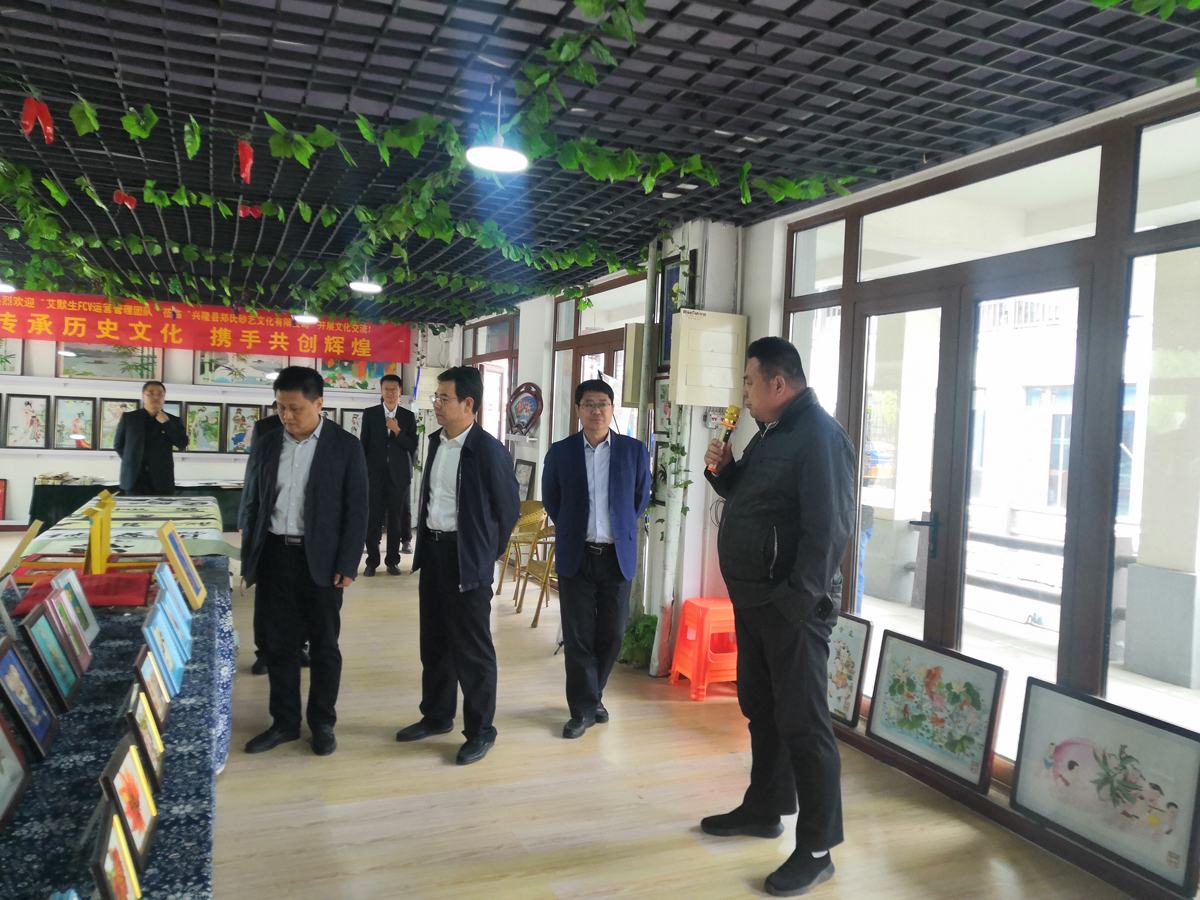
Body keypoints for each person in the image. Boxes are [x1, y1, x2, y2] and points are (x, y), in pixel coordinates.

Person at [700, 337, 856, 897]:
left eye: (749, 381)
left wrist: (795, 601)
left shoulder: (819, 437)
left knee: (805, 725)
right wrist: (725, 472)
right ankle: (764, 807)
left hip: (791, 610)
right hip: (756, 601)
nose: (743, 392)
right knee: (762, 710)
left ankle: (816, 849)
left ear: (778, 384)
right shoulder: (772, 432)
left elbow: (829, 530)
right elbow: (755, 498)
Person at [239, 366, 368, 757]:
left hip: (322, 560)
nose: (286, 415)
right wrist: (250, 555)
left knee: (325, 646)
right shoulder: (267, 441)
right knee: (279, 645)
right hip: (275, 555)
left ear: (319, 403)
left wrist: (348, 563)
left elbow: (357, 510)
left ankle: (322, 722)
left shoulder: (344, 446)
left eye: (295, 408)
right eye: (280, 407)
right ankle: (284, 722)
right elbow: (253, 500)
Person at [395, 366, 519, 766]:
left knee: (473, 651)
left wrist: (485, 552)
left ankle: (481, 730)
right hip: (434, 554)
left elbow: (508, 511)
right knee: (434, 643)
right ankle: (437, 716)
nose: (436, 404)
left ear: (468, 403)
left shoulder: (488, 450)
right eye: (436, 397)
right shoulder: (436, 442)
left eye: (443, 398)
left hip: (468, 561)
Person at [541, 378, 650, 739]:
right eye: (589, 404)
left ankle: (594, 696)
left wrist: (618, 528)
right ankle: (583, 710)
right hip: (578, 555)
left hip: (617, 556)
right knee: (578, 637)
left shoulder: (634, 451)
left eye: (603, 403)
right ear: (578, 410)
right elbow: (552, 499)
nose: (596, 411)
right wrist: (574, 529)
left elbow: (639, 499)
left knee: (613, 634)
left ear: (612, 409)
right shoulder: (561, 452)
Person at [239, 400, 298, 678]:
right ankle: (264, 652)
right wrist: (245, 520)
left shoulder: (320, 434)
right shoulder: (265, 429)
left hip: (303, 533)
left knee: (301, 598)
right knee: (267, 598)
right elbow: (252, 477)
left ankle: (299, 646)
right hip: (270, 529)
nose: (287, 414)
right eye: (282, 407)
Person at [360, 373, 418, 575]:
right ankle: (372, 562)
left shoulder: (408, 416)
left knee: (395, 520)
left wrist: (397, 431)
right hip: (374, 476)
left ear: (400, 391)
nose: (390, 393)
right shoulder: (370, 414)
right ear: (381, 391)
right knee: (373, 520)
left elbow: (412, 446)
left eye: (394, 389)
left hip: (398, 477)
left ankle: (392, 561)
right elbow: (364, 445)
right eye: (387, 389)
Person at [113, 381, 188, 494]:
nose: (156, 397)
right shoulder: (129, 418)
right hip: (133, 479)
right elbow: (118, 445)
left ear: (164, 398)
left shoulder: (173, 420)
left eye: (160, 394)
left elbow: (182, 443)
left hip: (162, 480)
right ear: (143, 396)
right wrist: (132, 461)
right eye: (151, 393)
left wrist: (166, 423)